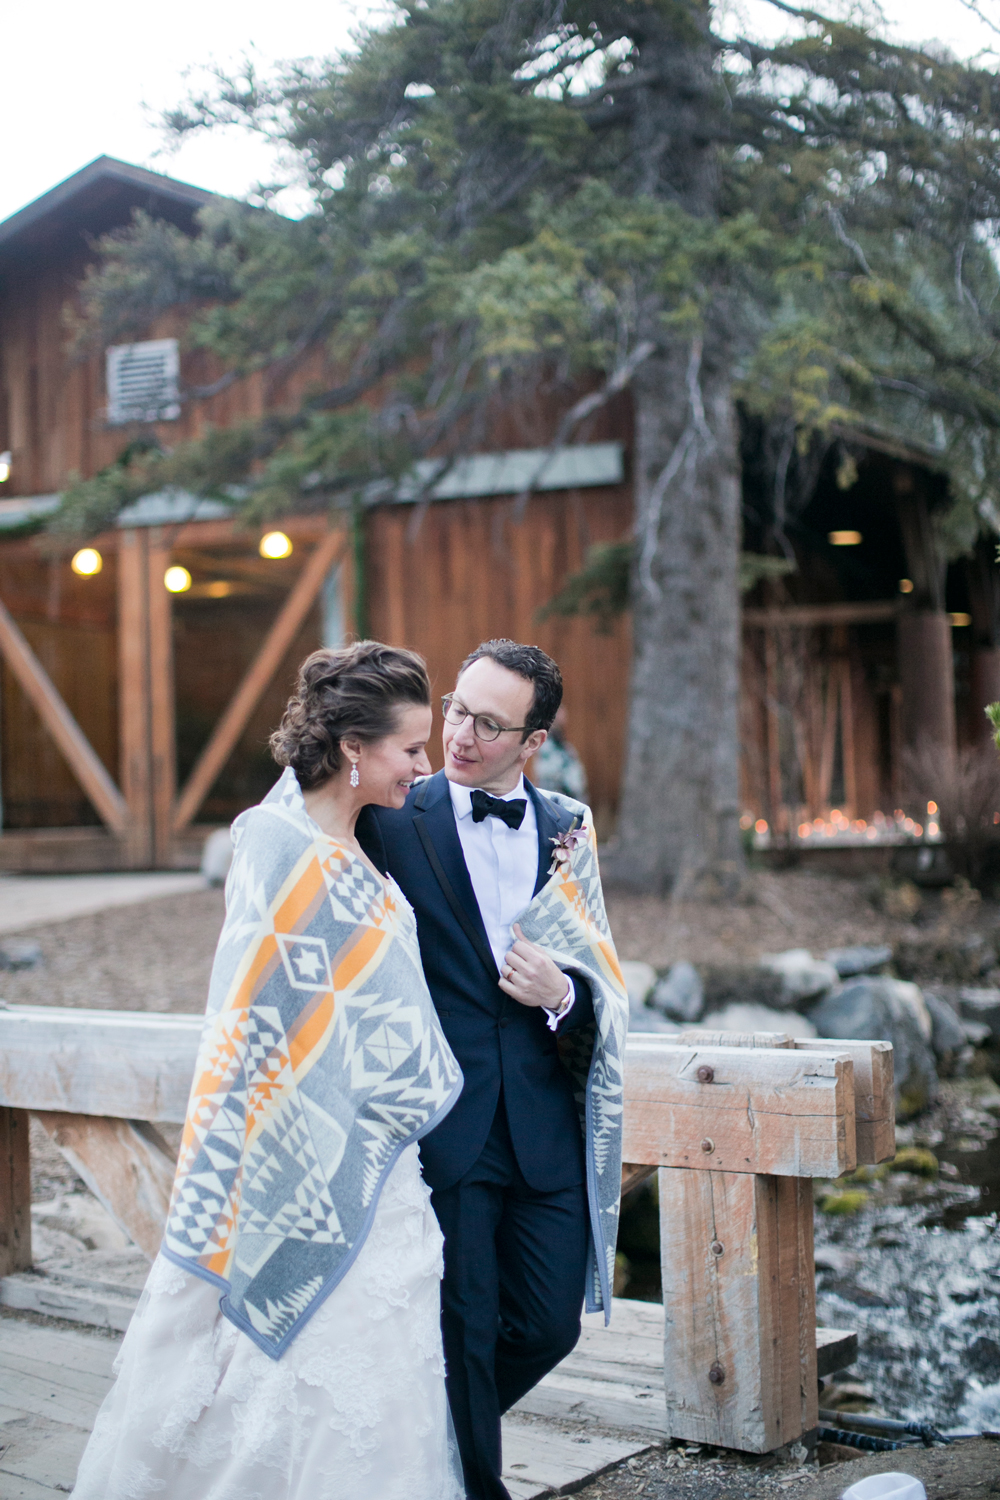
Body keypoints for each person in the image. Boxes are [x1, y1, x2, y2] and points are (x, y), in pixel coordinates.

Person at [73, 641, 465, 1500]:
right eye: (411, 749)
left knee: (384, 1366)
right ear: (355, 748)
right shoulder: (277, 848)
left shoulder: (371, 842)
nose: (424, 766)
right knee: (287, 1382)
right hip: (296, 1148)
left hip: (378, 1160)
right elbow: (248, 1018)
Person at [358, 638, 629, 1500]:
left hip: (545, 1128)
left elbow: (601, 975)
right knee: (466, 1331)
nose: (460, 734)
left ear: (533, 741)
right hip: (447, 1127)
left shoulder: (568, 826)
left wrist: (561, 996)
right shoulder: (393, 815)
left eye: (488, 723)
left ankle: (416, 1446)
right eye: (455, 709)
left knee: (549, 1325)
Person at [532, 703, 589, 801]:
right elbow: (546, 775)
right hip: (556, 799)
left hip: (570, 799)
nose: (562, 716)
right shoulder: (545, 746)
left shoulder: (563, 744)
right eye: (558, 713)